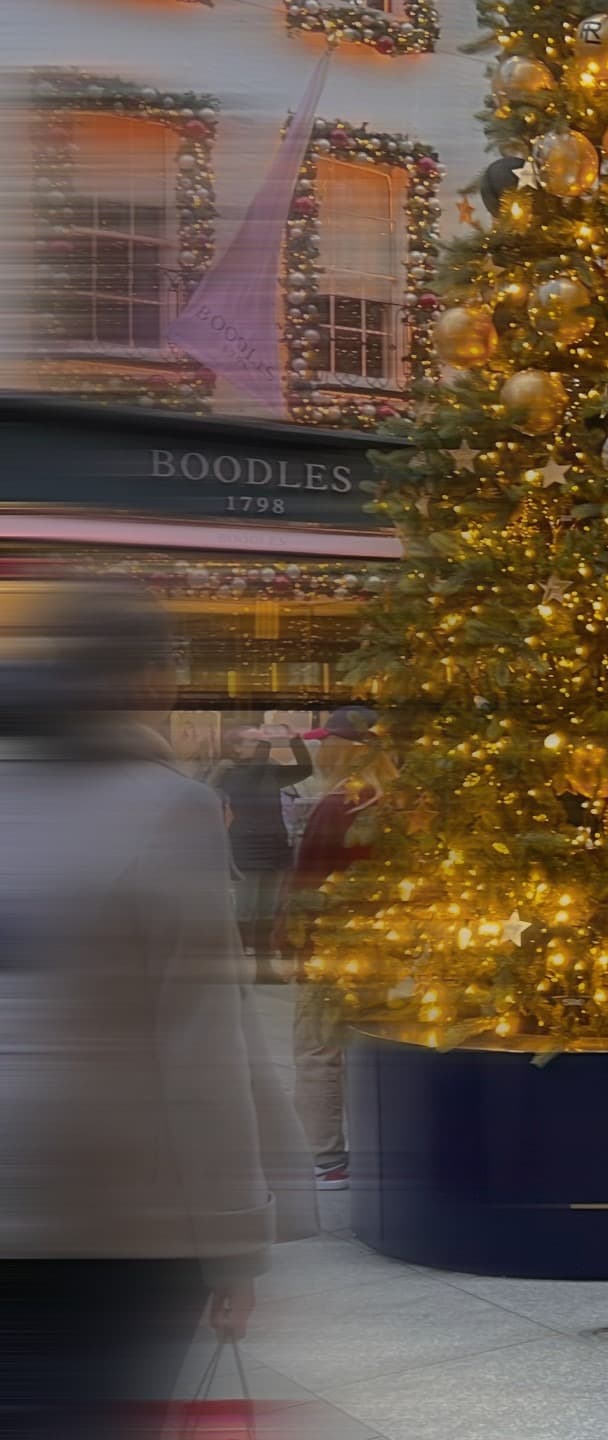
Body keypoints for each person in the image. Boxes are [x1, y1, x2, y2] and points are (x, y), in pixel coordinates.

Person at [0, 581, 275, 1437]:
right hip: (113, 1216)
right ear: (152, 679)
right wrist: (235, 1244)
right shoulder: (168, 809)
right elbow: (203, 1049)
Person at [278, 708, 393, 1193]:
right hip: (382, 944)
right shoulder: (397, 802)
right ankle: (372, 1147)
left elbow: (308, 881)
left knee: (318, 1049)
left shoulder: (337, 804)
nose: (321, 750)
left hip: (331, 944)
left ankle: (325, 1159)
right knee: (368, 1044)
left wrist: (290, 940)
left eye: (327, 742)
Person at [210, 723, 313, 985]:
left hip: (274, 845)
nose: (261, 745)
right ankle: (235, 967)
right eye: (253, 741)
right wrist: (268, 741)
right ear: (236, 748)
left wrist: (295, 741)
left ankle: (264, 968)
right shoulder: (232, 773)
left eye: (260, 742)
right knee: (245, 912)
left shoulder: (269, 770)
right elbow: (251, 775)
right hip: (247, 847)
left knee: (267, 913)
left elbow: (305, 770)